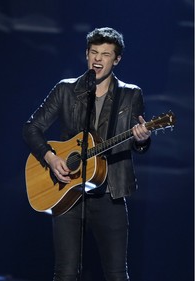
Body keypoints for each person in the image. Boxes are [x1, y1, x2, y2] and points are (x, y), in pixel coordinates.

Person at [22, 27, 151, 281]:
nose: (98, 59)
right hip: (67, 191)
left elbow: (139, 145)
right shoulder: (66, 89)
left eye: (105, 54)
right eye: (94, 52)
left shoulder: (130, 94)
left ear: (117, 59)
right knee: (66, 273)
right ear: (86, 54)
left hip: (110, 193)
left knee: (116, 274)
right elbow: (31, 128)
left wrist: (142, 140)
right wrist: (51, 157)